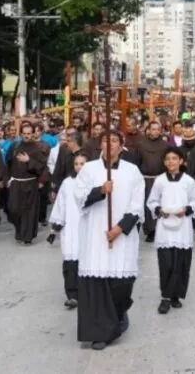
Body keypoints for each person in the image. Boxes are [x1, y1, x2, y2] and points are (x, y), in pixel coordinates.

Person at [74, 130, 144, 351]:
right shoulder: (89, 169)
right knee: (96, 284)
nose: (110, 144)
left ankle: (120, 313)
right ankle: (100, 333)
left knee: (121, 285)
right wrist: (100, 190)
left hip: (121, 236)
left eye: (115, 140)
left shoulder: (132, 171)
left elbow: (137, 205)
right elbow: (79, 197)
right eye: (106, 140)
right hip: (96, 233)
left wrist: (120, 228)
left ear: (121, 145)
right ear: (100, 145)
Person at [146, 147, 195, 314]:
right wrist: (158, 210)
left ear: (181, 161)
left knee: (181, 263)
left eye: (174, 158)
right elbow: (152, 201)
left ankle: (176, 295)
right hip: (165, 227)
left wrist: (186, 209)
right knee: (166, 263)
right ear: (164, 162)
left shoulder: (188, 181)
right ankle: (165, 297)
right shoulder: (160, 181)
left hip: (182, 225)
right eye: (168, 159)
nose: (171, 162)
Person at [48, 153, 87, 309]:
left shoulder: (94, 182)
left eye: (82, 163)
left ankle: (86, 293)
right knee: (70, 262)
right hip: (70, 228)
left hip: (87, 228)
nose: (79, 166)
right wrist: (56, 227)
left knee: (86, 261)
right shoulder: (67, 183)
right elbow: (61, 205)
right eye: (76, 163)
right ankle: (72, 295)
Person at [7, 123, 46, 244]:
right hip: (16, 183)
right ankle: (19, 230)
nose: (26, 136)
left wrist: (29, 161)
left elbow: (42, 167)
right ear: (21, 134)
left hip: (30, 183)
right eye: (24, 133)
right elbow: (7, 162)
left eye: (29, 133)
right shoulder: (14, 146)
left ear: (33, 134)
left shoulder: (37, 148)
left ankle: (27, 237)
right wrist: (7, 179)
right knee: (13, 210)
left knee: (29, 211)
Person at [135, 121, 169, 243]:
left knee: (160, 204)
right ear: (148, 130)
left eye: (157, 129)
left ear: (160, 131)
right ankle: (149, 230)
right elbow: (137, 163)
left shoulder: (165, 145)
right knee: (147, 205)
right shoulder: (141, 144)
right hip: (145, 179)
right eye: (153, 129)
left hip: (160, 179)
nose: (155, 131)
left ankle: (159, 229)